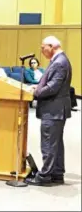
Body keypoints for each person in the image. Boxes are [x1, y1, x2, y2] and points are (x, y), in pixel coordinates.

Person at [25, 36, 72, 187]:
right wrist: (37, 87)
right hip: (57, 108)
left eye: (43, 47)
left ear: (51, 46)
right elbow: (50, 83)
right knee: (56, 143)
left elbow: (53, 87)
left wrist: (36, 92)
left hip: (53, 109)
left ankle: (44, 176)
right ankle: (57, 174)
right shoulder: (60, 60)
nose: (41, 50)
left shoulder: (59, 62)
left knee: (49, 143)